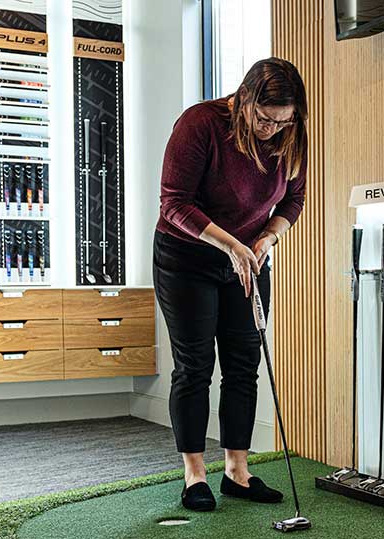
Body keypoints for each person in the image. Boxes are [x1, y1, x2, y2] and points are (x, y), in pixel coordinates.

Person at [153, 57, 307, 511]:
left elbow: (294, 198)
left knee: (243, 363)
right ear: (242, 100)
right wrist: (232, 245)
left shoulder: (290, 134)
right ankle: (195, 475)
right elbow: (173, 203)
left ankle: (238, 472)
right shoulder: (200, 124)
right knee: (196, 367)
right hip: (188, 258)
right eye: (263, 118)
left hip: (247, 260)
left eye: (282, 122)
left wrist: (265, 238)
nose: (271, 129)